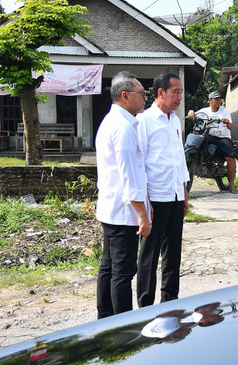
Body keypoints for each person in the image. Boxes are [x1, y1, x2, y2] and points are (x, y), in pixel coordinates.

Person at [95, 71, 151, 319]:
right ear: (125, 96)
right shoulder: (124, 128)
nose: (145, 98)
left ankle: (105, 318)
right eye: (142, 94)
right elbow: (130, 177)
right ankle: (123, 325)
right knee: (123, 272)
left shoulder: (111, 121)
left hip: (110, 209)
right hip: (123, 212)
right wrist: (143, 215)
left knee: (108, 268)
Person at [136, 73, 190, 306]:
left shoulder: (175, 120)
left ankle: (170, 300)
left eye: (181, 92)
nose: (180, 97)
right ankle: (145, 305)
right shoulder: (144, 121)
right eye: (175, 92)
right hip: (155, 197)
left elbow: (179, 158)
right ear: (161, 93)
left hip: (175, 195)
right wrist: (144, 201)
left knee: (173, 253)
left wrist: (184, 193)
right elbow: (139, 164)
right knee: (149, 254)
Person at [187, 91, 238, 193]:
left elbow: (231, 127)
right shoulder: (204, 111)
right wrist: (191, 112)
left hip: (222, 138)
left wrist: (227, 122)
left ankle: (232, 185)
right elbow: (193, 114)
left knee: (229, 158)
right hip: (208, 136)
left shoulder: (225, 112)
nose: (219, 101)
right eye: (216, 99)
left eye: (219, 99)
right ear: (210, 101)